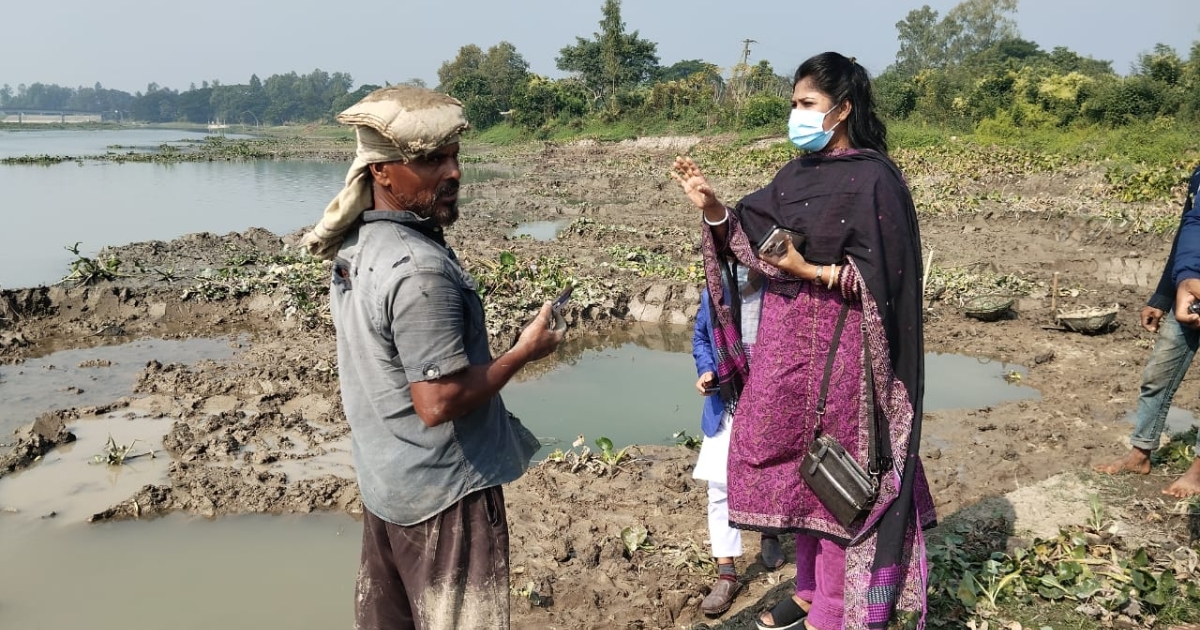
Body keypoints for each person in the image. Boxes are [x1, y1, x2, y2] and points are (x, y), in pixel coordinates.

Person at [671, 52, 935, 630]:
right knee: (794, 467)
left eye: (807, 104)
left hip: (847, 352)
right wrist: (715, 208)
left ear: (840, 111)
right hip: (787, 349)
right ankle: (812, 590)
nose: (796, 114)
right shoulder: (795, 176)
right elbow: (749, 231)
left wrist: (807, 269)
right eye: (793, 103)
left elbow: (885, 283)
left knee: (842, 479)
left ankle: (837, 611)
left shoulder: (875, 181)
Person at [303, 85, 565, 630]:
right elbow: (438, 400)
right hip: (446, 496)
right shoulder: (419, 271)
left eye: (454, 156)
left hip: (388, 486)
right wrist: (524, 351)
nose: (453, 173)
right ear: (381, 171)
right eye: (430, 160)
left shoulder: (357, 247)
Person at [1094, 163, 1200, 498]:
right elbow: (1188, 233)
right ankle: (1140, 454)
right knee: (1158, 375)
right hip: (1190, 292)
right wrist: (1165, 294)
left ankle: (1197, 473)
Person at [691, 260, 786, 616]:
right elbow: (701, 338)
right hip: (728, 398)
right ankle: (727, 572)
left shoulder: (783, 294)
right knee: (719, 487)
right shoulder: (717, 295)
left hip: (771, 403)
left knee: (771, 475)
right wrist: (706, 370)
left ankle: (769, 534)